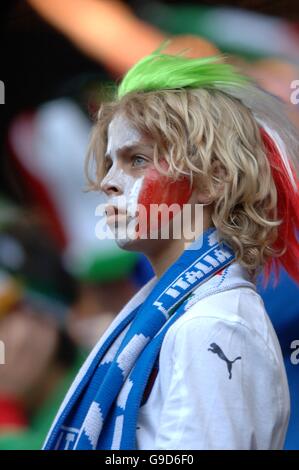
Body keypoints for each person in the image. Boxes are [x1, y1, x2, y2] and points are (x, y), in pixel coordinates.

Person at [43, 45, 299, 450]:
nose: (108, 181)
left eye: (137, 159)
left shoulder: (213, 326)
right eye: (110, 162)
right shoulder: (186, 313)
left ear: (212, 180)